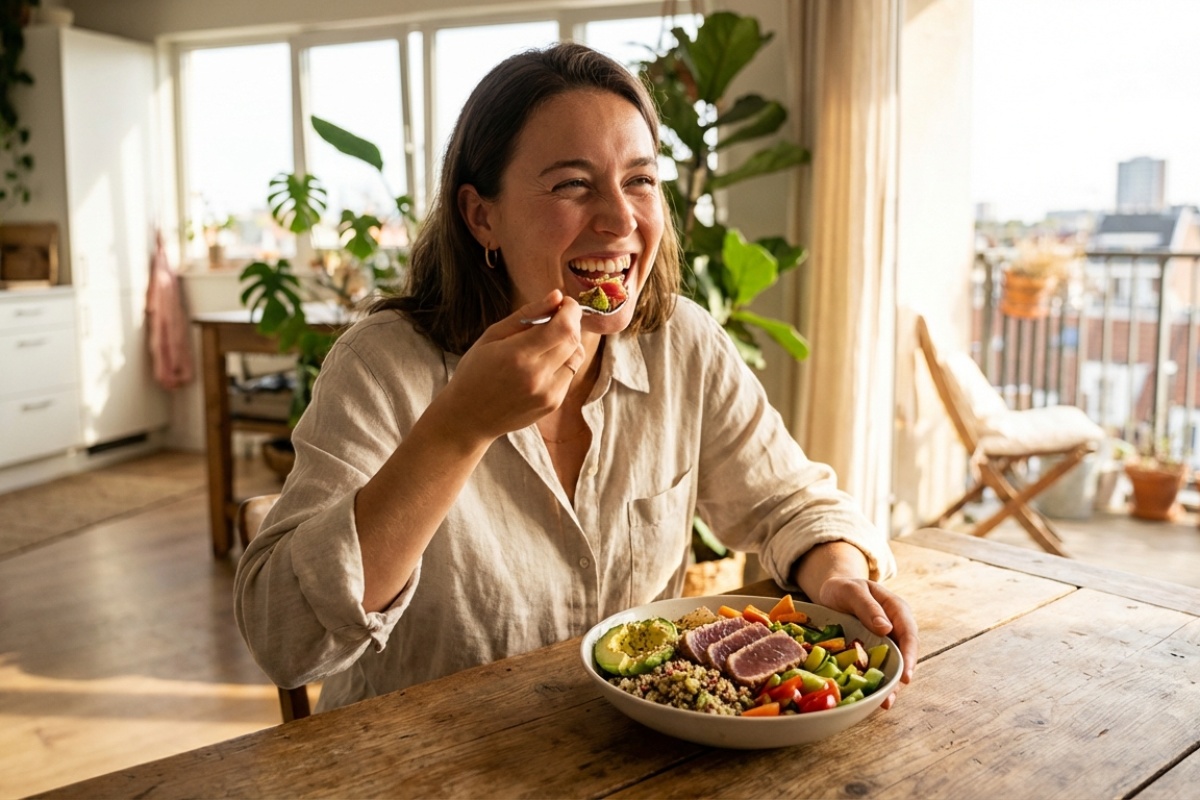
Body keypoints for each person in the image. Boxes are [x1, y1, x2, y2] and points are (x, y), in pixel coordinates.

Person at [235, 42, 918, 713]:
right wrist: (457, 428)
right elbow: (286, 640)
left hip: (625, 757)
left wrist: (838, 576)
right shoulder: (382, 365)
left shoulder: (682, 341)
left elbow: (790, 504)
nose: (620, 219)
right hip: (420, 768)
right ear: (483, 216)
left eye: (640, 181)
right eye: (572, 185)